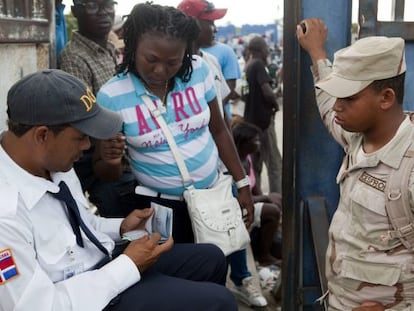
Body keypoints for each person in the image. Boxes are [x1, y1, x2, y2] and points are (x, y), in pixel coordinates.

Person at [0, 69, 237, 311]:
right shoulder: (6, 214)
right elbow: (40, 307)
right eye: (81, 137)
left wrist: (121, 227)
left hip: (101, 265)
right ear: (42, 135)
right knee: (220, 302)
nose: (87, 146)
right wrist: (128, 265)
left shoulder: (52, 161)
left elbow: (79, 225)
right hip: (82, 297)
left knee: (211, 258)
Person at [93, 3, 266, 308]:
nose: (160, 71)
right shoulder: (112, 95)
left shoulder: (198, 71)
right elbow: (106, 174)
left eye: (172, 62)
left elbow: (220, 130)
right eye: (151, 60)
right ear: (133, 47)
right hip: (162, 210)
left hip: (213, 198)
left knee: (215, 271)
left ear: (185, 54)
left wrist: (242, 184)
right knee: (180, 290)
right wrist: (108, 159)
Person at [297, 18, 411, 311]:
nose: (337, 106)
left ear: (386, 98)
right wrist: (317, 53)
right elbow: (327, 104)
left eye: (348, 97)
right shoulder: (357, 137)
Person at [177, 5, 267, 307]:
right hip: (186, 171)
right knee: (200, 233)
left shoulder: (210, 61)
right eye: (208, 23)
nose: (214, 30)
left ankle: (241, 280)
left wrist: (239, 173)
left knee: (232, 222)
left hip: (219, 158)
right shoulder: (167, 68)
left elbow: (220, 117)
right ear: (190, 25)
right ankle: (206, 292)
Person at [58, 0, 138, 218]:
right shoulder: (74, 57)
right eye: (94, 5)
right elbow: (83, 119)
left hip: (126, 155)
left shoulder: (109, 49)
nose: (103, 12)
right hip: (102, 162)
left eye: (108, 5)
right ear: (76, 11)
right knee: (126, 230)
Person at [177, 0, 242, 125]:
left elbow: (220, 108)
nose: (216, 29)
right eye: (211, 23)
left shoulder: (211, 61)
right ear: (193, 24)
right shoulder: (173, 67)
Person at [232, 120, 282, 267]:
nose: (259, 143)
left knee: (278, 199)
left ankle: (272, 242)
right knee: (272, 210)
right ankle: (264, 255)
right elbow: (237, 198)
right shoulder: (233, 165)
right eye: (255, 140)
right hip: (237, 209)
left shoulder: (248, 159)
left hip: (250, 202)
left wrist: (266, 198)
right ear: (243, 142)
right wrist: (265, 198)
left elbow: (255, 189)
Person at [243, 35, 283, 194]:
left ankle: (257, 199)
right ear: (261, 50)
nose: (268, 51)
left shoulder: (248, 66)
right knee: (274, 163)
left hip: (250, 123)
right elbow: (267, 92)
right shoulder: (259, 65)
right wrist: (275, 105)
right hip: (263, 124)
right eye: (266, 48)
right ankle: (278, 200)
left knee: (256, 165)